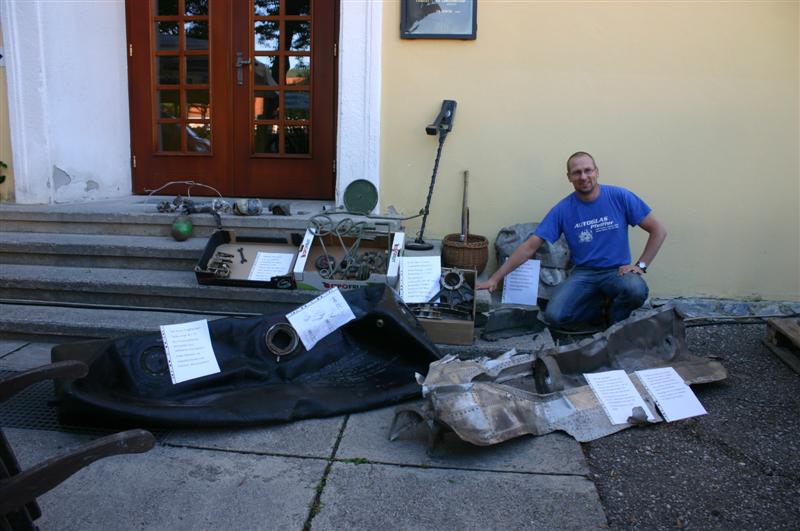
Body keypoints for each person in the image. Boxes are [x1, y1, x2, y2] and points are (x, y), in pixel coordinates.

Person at [476, 151, 667, 327]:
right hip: (583, 274)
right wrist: (494, 279)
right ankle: (602, 307)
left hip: (617, 272)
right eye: (577, 173)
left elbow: (658, 230)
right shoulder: (563, 209)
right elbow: (530, 246)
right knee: (554, 316)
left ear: (596, 172)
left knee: (636, 289)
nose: (583, 177)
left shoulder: (620, 196)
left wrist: (640, 266)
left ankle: (615, 324)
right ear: (569, 177)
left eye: (587, 170)